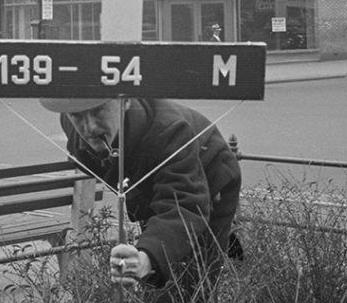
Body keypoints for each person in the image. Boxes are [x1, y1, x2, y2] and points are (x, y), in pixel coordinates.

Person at [40, 96, 242, 301]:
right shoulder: (70, 119)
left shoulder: (168, 130)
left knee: (193, 281)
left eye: (99, 110)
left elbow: (184, 205)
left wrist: (146, 259)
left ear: (126, 101)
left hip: (210, 177)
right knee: (156, 277)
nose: (89, 127)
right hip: (151, 184)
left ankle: (215, 233)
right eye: (77, 115)